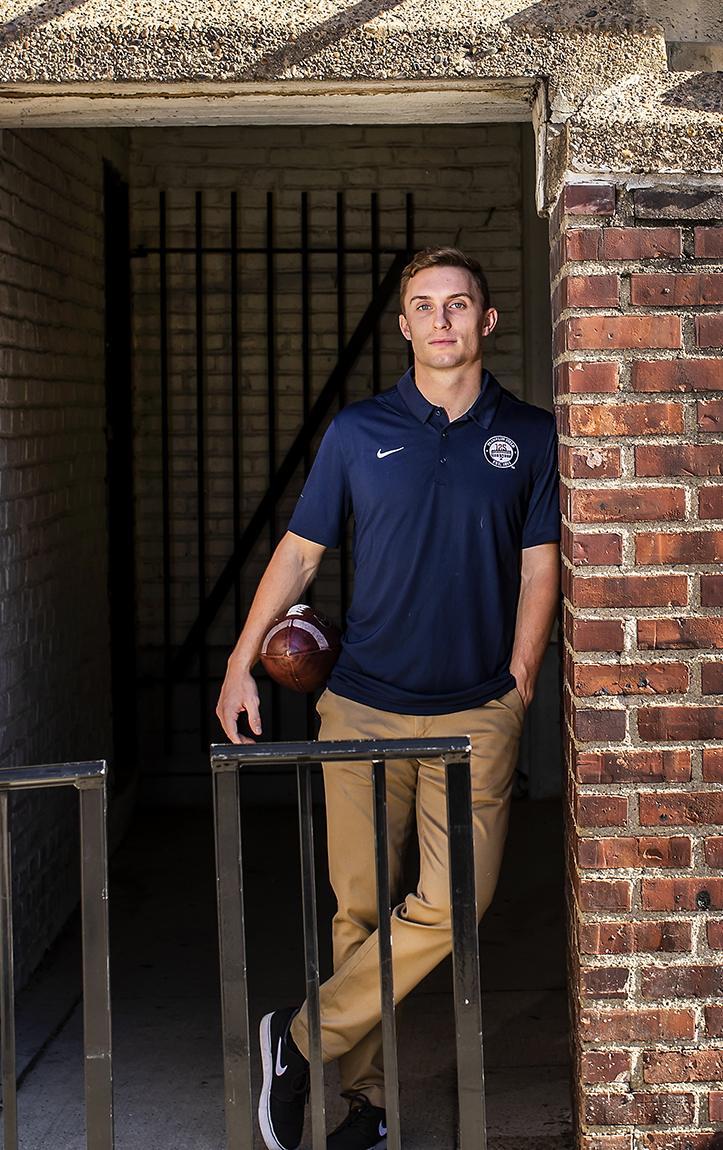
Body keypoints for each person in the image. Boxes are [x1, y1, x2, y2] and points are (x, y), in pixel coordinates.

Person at [215, 247, 559, 1150]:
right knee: (359, 913)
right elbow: (299, 555)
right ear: (404, 325)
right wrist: (238, 661)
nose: (442, 320)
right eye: (424, 306)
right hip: (361, 709)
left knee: (454, 906)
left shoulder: (531, 434)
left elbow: (539, 568)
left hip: (474, 712)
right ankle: (361, 1108)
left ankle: (293, 1043)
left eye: (459, 305)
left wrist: (520, 682)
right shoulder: (357, 431)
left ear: (488, 322)